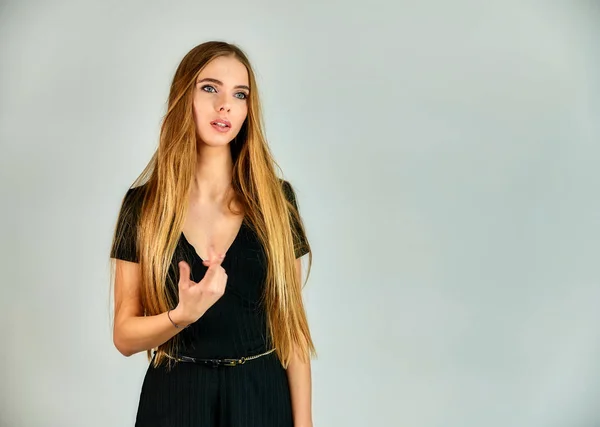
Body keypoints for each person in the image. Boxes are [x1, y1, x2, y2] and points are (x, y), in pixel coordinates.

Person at [109, 40, 316, 427]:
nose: (225, 105)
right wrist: (180, 316)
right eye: (210, 88)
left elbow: (293, 332)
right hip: (176, 399)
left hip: (261, 395)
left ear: (247, 111)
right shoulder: (143, 206)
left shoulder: (276, 201)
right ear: (183, 96)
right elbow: (124, 335)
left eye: (239, 95)